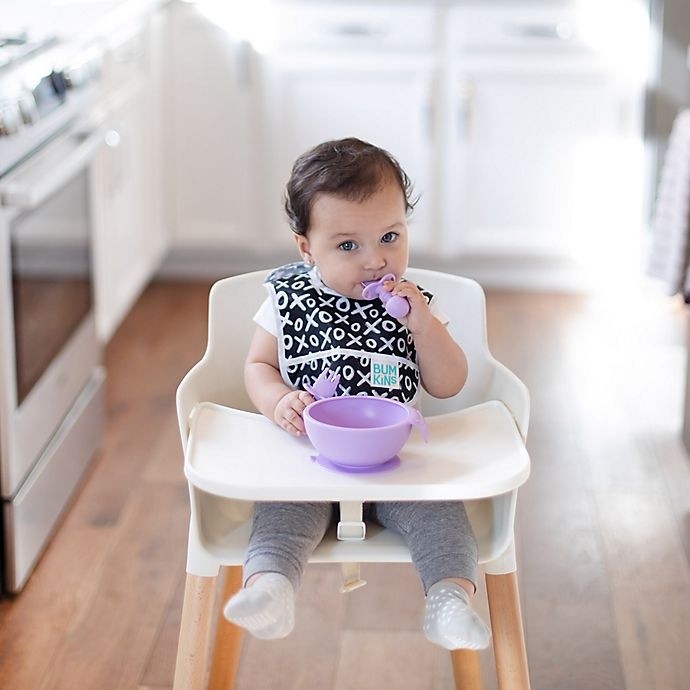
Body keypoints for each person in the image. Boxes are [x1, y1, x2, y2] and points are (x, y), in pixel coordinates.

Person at [223, 137, 491, 650]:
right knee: (278, 517)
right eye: (348, 246)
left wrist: (424, 326)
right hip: (310, 464)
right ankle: (270, 590)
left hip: (400, 465)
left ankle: (450, 602)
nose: (376, 261)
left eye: (390, 236)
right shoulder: (289, 300)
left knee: (443, 519)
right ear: (307, 249)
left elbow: (448, 382)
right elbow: (257, 365)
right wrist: (278, 399)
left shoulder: (417, 307)